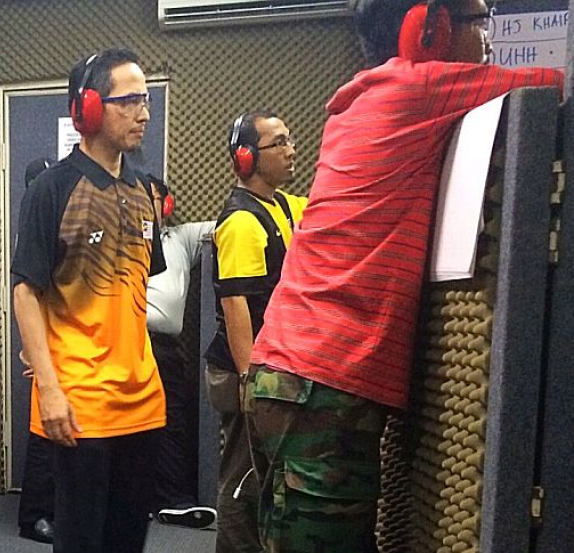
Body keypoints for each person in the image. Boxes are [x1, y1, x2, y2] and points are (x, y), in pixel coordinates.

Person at [244, 1, 565, 551]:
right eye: (479, 21)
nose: (487, 38)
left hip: (299, 376)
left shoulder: (369, 96)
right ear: (430, 30)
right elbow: (550, 84)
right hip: (322, 382)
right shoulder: (421, 87)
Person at [12, 48, 166, 553]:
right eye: (130, 101)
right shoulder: (51, 189)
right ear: (90, 108)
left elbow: (139, 288)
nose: (144, 113)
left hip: (143, 399)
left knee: (127, 540)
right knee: (81, 541)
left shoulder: (145, 191)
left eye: (146, 99)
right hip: (82, 401)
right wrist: (49, 388)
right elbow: (26, 291)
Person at [204, 111, 307, 553]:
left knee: (260, 476)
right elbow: (235, 304)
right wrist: (251, 380)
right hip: (243, 371)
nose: (291, 150)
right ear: (246, 157)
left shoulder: (282, 205)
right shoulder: (242, 222)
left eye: (290, 140)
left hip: (266, 368)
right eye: (278, 142)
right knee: (242, 480)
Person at [146, 174, 218, 529]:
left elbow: (230, 225)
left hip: (164, 348)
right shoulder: (115, 240)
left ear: (167, 205)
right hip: (122, 343)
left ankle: (174, 500)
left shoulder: (181, 238)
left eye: (152, 198)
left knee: (172, 420)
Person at [16, 156, 56, 545]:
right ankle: (33, 516)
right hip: (44, 344)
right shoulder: (33, 228)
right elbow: (27, 294)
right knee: (43, 434)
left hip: (63, 343)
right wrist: (33, 348)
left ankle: (52, 510)